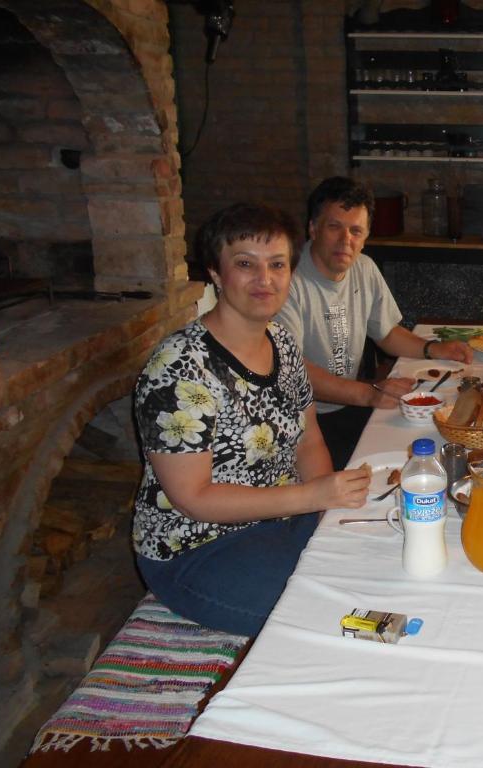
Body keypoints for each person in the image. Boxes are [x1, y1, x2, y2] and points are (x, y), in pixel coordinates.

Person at [133, 203, 372, 636]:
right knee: (327, 619)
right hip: (199, 548)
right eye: (246, 264)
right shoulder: (179, 367)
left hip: (282, 521)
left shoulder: (280, 341)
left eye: (277, 265)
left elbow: (309, 440)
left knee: (371, 573)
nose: (265, 279)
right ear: (217, 274)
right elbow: (194, 497)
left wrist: (324, 510)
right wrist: (309, 498)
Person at [276, 177, 472, 469]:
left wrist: (434, 349)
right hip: (300, 421)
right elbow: (294, 372)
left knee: (426, 443)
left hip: (347, 406)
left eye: (356, 231)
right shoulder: (285, 280)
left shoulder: (364, 268)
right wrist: (370, 393)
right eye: (334, 227)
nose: (346, 241)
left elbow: (387, 333)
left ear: (366, 236)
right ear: (313, 228)